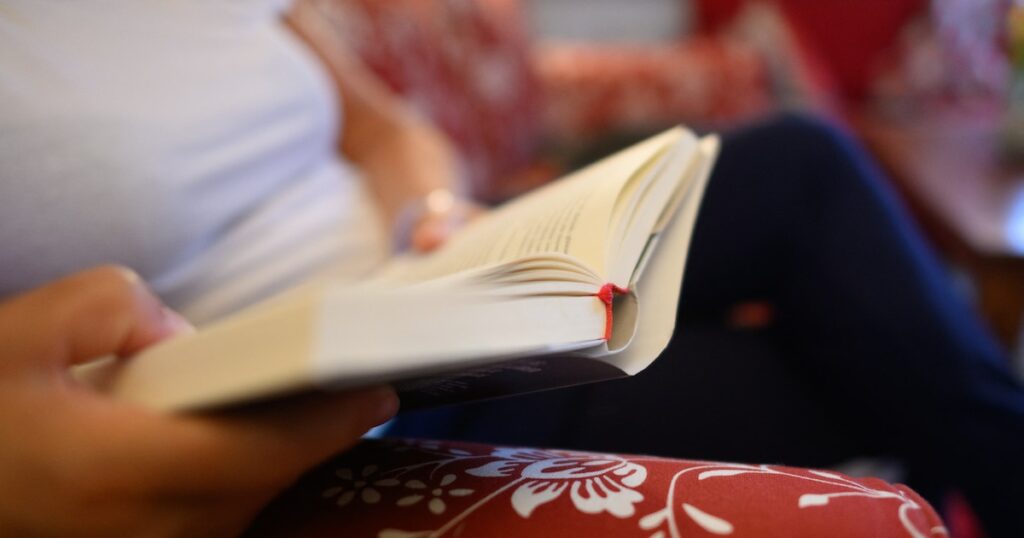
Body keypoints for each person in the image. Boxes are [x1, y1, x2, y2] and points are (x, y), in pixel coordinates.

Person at [0, 1, 1020, 536]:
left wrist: (436, 214)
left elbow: (382, 122)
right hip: (333, 408)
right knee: (879, 362)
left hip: (436, 286)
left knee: (803, 169)